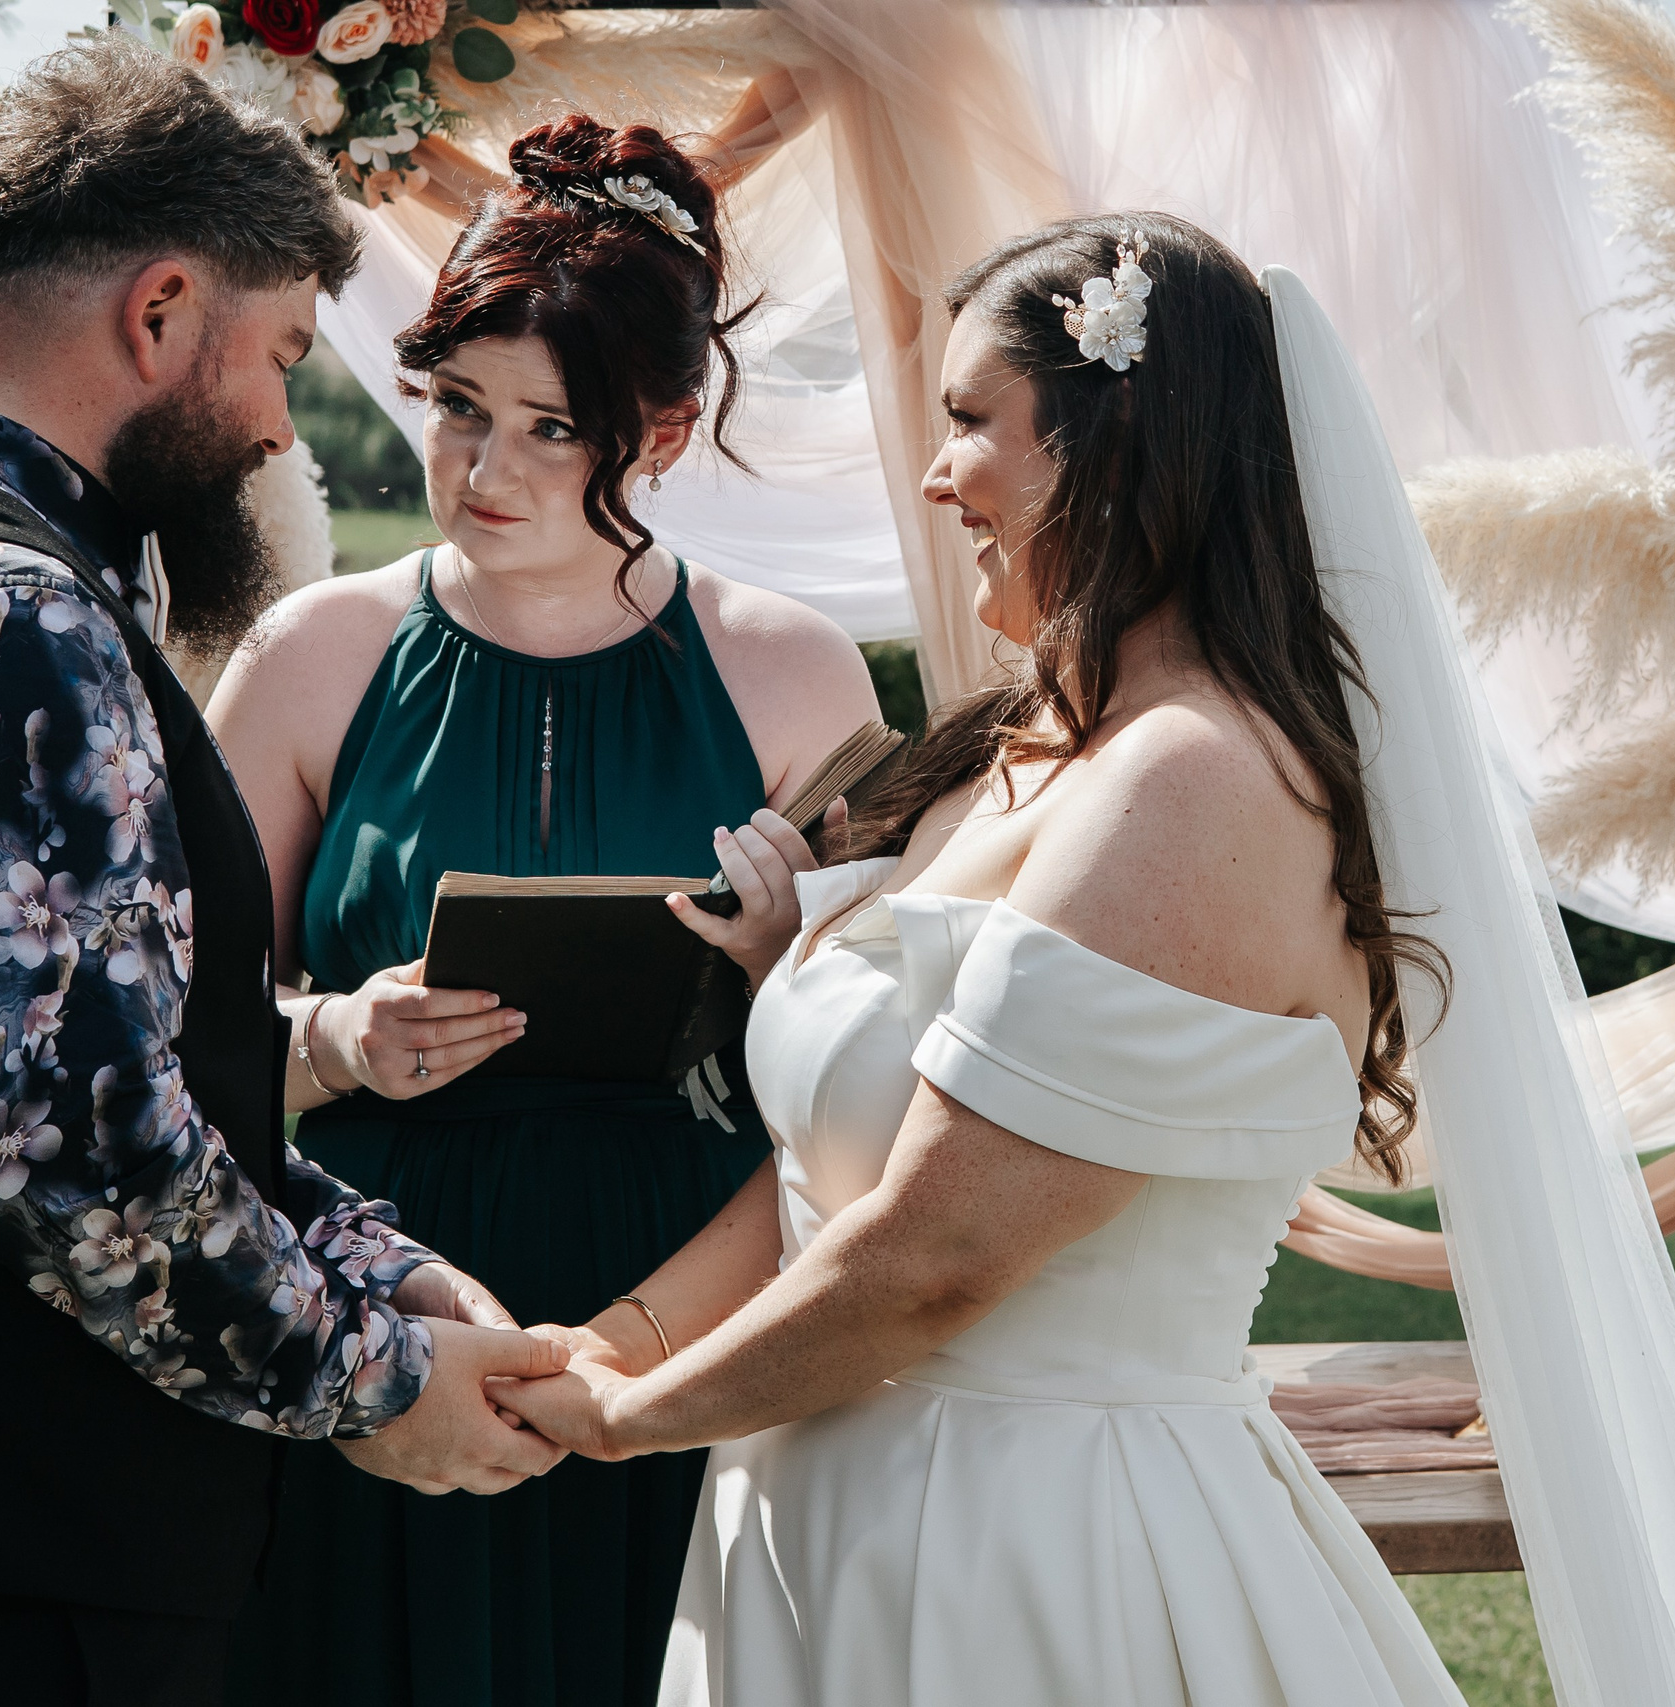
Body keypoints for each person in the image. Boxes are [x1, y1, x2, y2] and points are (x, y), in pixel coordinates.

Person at [0, 40, 567, 1706]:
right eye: (281, 357)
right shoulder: (2, 622)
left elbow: (119, 1066)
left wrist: (373, 1258)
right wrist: (376, 1377)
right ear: (160, 312)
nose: (281, 430)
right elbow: (77, 1152)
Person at [490, 213, 1480, 1705]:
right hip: (844, 1505)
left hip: (1034, 1549)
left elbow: (937, 1255)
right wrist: (612, 1346)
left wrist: (632, 1422)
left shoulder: (1191, 783)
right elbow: (842, 1178)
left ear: (1113, 443)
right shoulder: (1020, 754)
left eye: (969, 421)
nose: (936, 476)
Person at [208, 117, 881, 1706]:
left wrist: (782, 965)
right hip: (389, 1323)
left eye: (552, 429)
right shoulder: (310, 658)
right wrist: (337, 1037)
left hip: (693, 1315)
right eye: (458, 406)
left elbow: (876, 1067)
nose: (484, 471)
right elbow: (166, 1034)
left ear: (662, 431)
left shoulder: (794, 673)